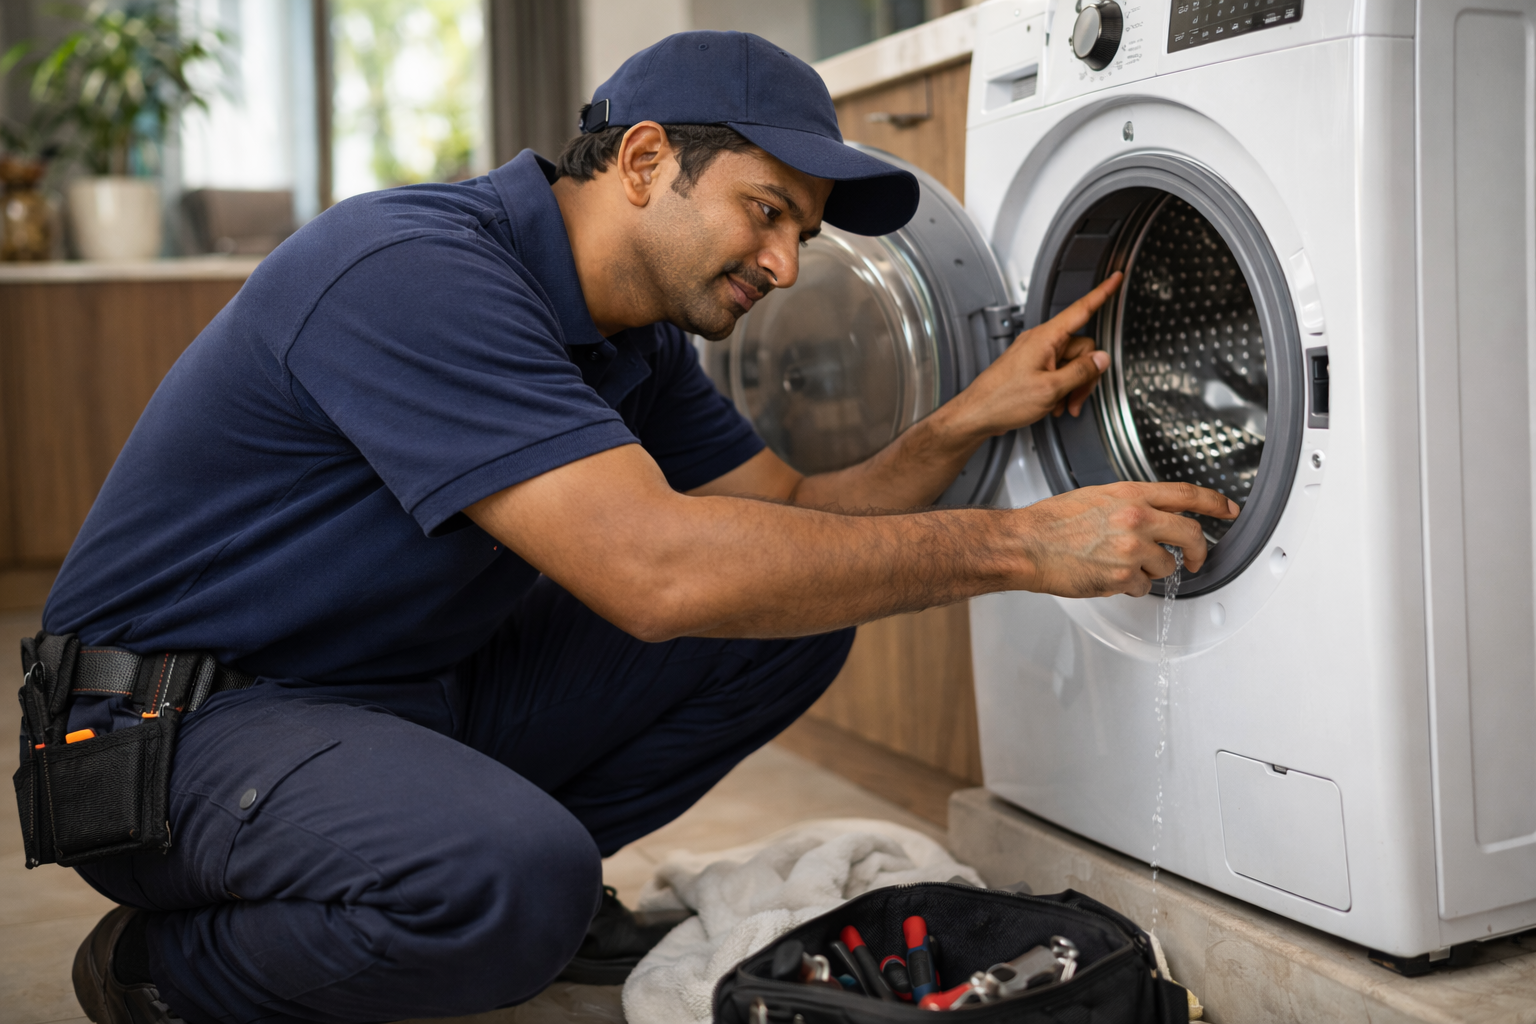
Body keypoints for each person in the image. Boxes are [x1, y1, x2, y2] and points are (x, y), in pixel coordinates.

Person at [46, 31, 1234, 1024]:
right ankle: (169, 971)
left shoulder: (636, 341)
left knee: (783, 621)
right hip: (172, 729)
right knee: (512, 881)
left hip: (387, 695)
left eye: (803, 236)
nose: (780, 263)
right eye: (765, 212)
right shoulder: (414, 269)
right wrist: (1021, 548)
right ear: (645, 158)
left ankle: (490, 872)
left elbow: (794, 526)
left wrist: (970, 419)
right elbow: (656, 576)